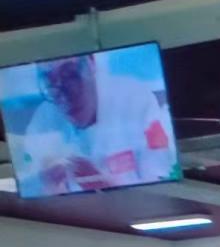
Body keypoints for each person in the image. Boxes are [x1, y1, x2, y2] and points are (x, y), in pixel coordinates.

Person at [16, 51, 180, 197]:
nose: (64, 96)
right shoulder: (42, 122)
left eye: (71, 75)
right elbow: (29, 192)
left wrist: (102, 183)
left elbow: (164, 189)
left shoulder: (137, 101)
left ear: (91, 63)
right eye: (50, 82)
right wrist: (50, 188)